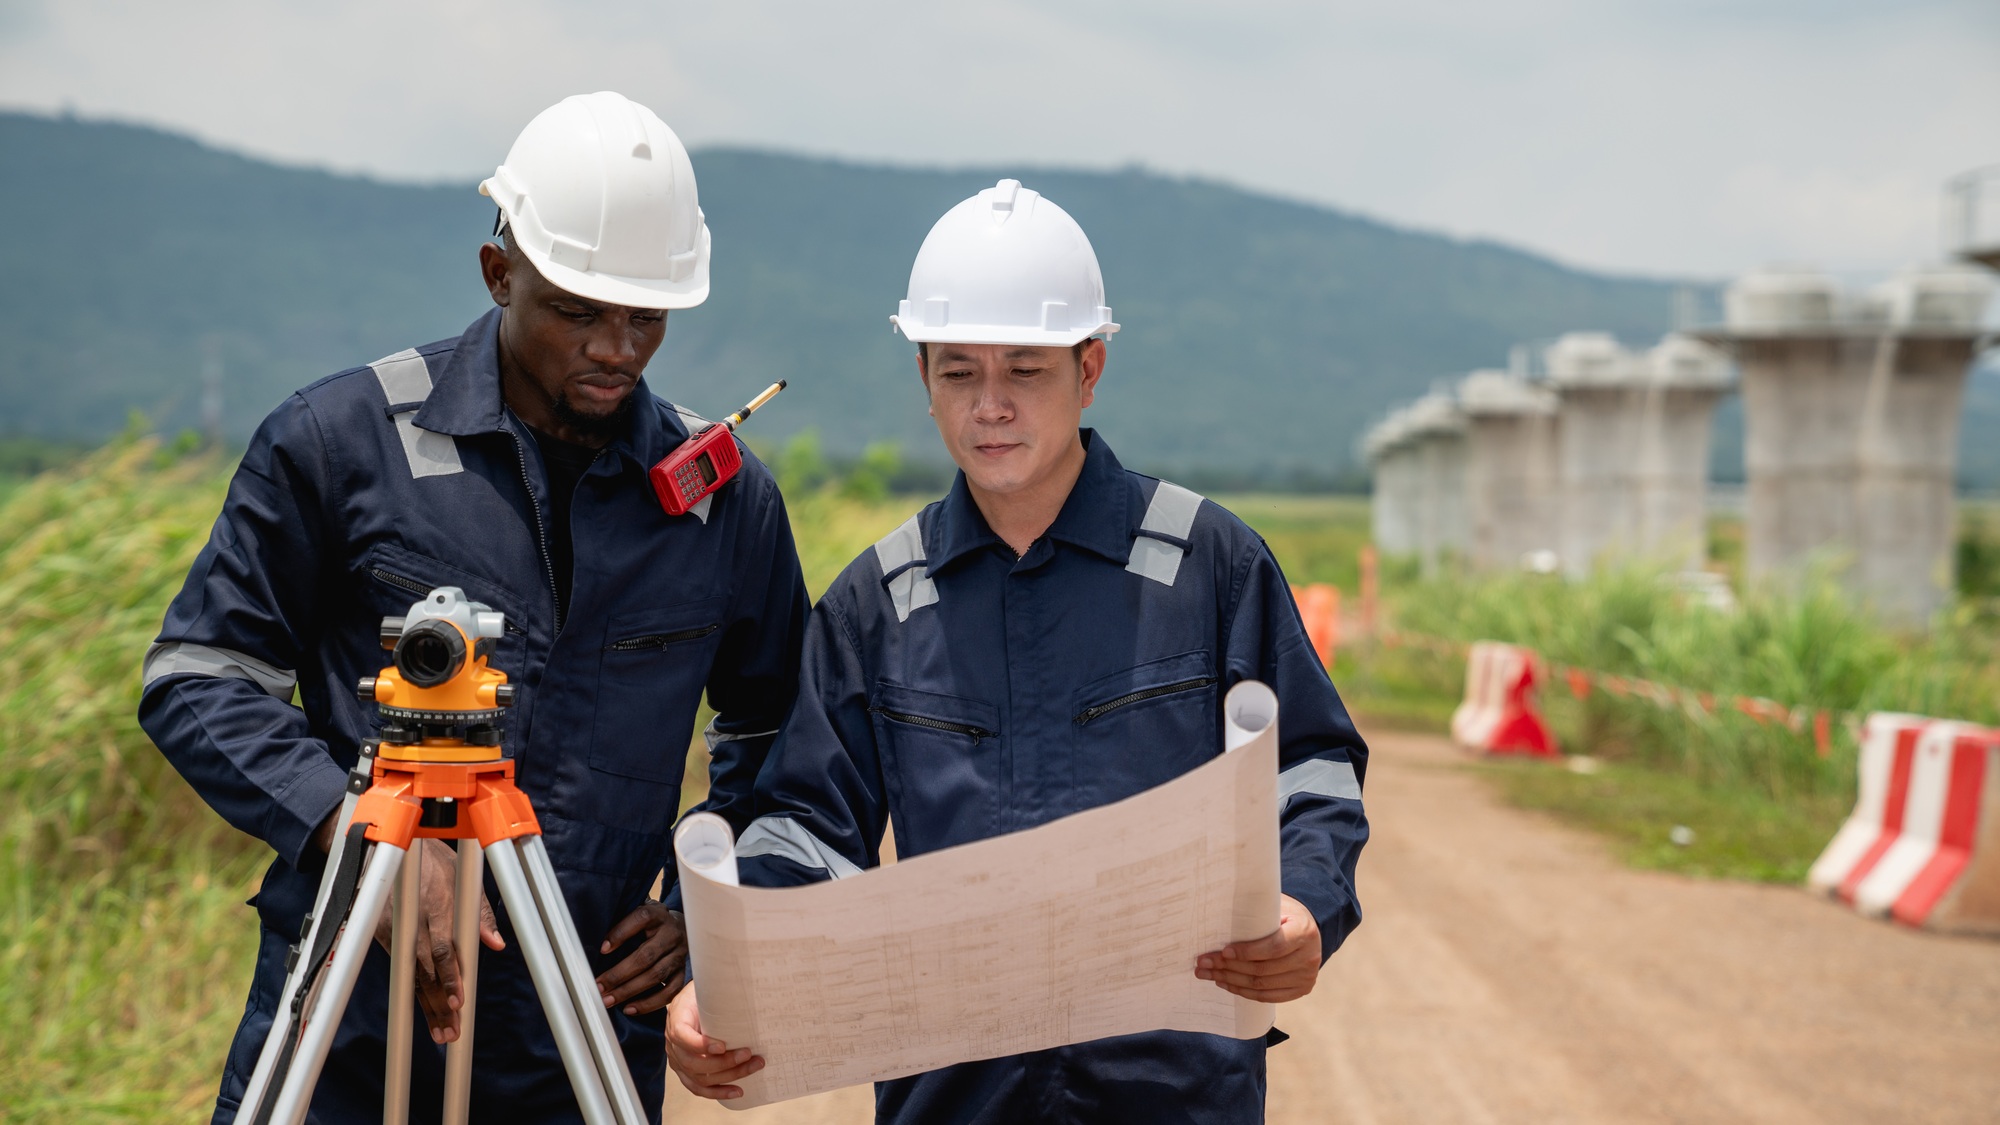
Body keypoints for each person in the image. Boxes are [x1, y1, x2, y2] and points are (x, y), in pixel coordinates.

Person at [139, 92, 808, 1124]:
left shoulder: (723, 503)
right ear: (500, 274)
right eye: (579, 310)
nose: (617, 349)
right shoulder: (341, 441)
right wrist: (352, 830)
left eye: (644, 316)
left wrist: (707, 900)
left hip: (578, 1033)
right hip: (348, 1013)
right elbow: (198, 674)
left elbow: (781, 731)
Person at [664, 178, 1369, 1123]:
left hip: (1173, 1092)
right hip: (953, 1096)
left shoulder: (1206, 565)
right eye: (959, 371)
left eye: (1025, 370)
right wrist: (741, 980)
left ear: (1090, 368)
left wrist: (1305, 905)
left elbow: (1310, 767)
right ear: (923, 379)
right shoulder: (877, 605)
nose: (990, 405)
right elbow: (807, 830)